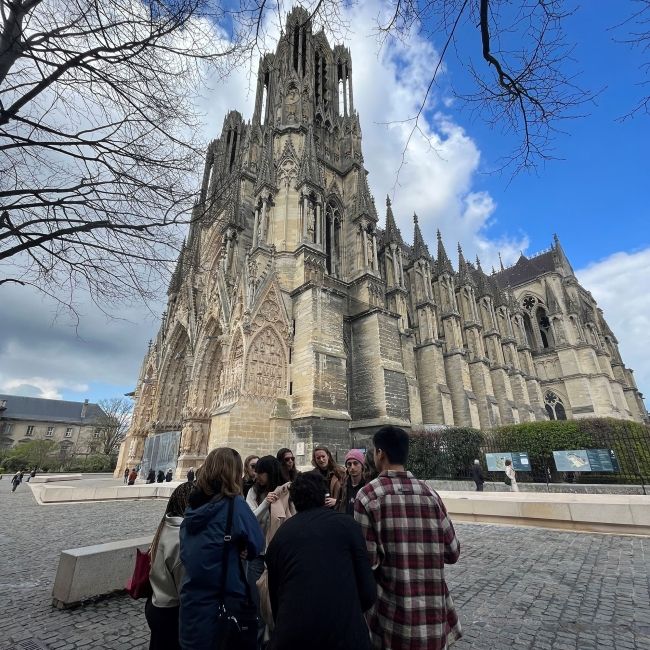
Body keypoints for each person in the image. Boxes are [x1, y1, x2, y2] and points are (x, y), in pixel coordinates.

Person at [354, 425, 461, 650]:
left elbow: (368, 562)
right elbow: (452, 552)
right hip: (433, 619)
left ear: (379, 453)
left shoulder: (368, 495)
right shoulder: (430, 494)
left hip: (391, 620)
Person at [266, 472, 376, 650]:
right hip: (346, 636)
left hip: (293, 637)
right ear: (323, 496)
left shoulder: (280, 536)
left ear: (294, 501)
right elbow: (368, 592)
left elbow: (275, 600)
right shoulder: (347, 525)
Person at [179, 447, 264, 650]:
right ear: (233, 473)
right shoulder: (235, 504)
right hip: (225, 598)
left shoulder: (192, 506)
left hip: (191, 600)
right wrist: (244, 547)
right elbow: (257, 542)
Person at [245, 455, 294, 645]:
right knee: (257, 606)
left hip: (280, 557)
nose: (257, 476)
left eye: (261, 472)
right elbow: (250, 520)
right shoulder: (253, 493)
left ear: (270, 473)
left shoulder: (287, 491)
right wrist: (266, 503)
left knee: (279, 604)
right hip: (258, 556)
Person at [146, 481, 193, 650]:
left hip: (155, 603)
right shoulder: (180, 541)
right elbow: (186, 591)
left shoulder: (164, 527)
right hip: (171, 612)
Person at [337, 449, 367, 515]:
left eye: (355, 463)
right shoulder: (344, 485)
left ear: (362, 465)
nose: (352, 467)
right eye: (349, 464)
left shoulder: (367, 485)